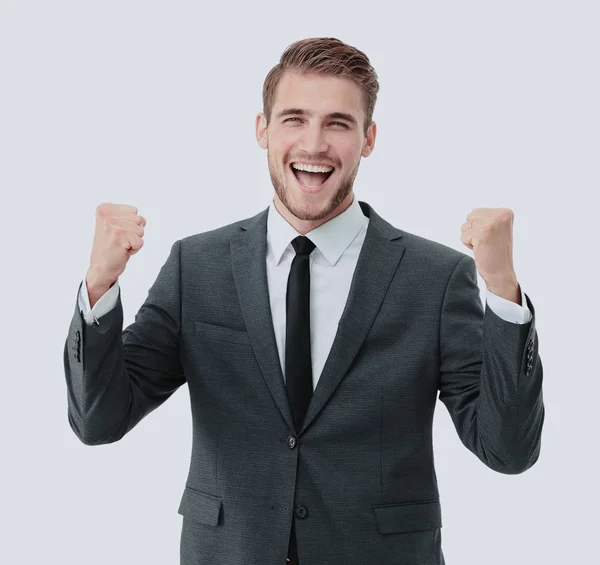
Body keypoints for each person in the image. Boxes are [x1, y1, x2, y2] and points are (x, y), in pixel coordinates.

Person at [63, 37, 544, 565]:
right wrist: (100, 284)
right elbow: (99, 421)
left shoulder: (434, 277)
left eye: (338, 123)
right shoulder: (195, 267)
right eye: (294, 118)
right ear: (262, 130)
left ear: (369, 139)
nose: (314, 144)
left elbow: (507, 450)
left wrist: (501, 289)